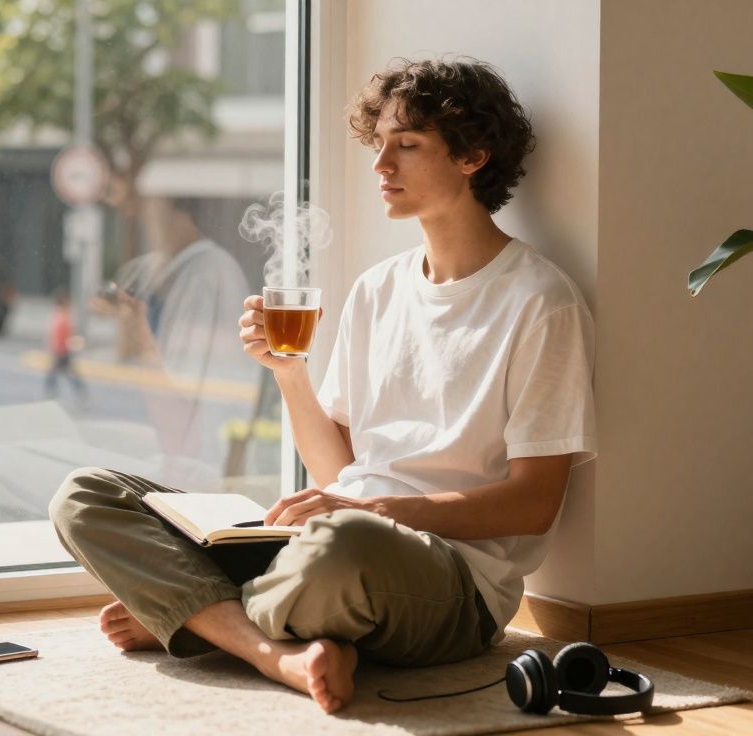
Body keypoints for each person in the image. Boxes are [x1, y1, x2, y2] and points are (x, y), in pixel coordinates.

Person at [49, 57, 596, 714]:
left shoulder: (540, 301)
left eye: (407, 145)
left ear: (472, 156)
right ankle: (272, 648)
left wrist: (379, 512)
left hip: (445, 577)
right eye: (379, 143)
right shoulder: (378, 289)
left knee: (340, 545)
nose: (381, 164)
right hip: (329, 547)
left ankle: (196, 617)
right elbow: (338, 473)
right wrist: (289, 374)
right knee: (85, 495)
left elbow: (534, 504)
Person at [93, 196, 256, 487]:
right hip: (176, 453)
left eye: (146, 202)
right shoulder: (158, 268)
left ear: (177, 209)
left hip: (195, 466)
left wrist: (138, 333)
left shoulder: (208, 274)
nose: (131, 211)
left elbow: (182, 415)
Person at [45, 287, 88, 407]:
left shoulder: (60, 316)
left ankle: (52, 394)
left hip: (62, 351)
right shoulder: (62, 316)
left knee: (59, 374)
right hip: (61, 351)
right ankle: (52, 393)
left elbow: (63, 334)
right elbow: (59, 334)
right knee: (61, 374)